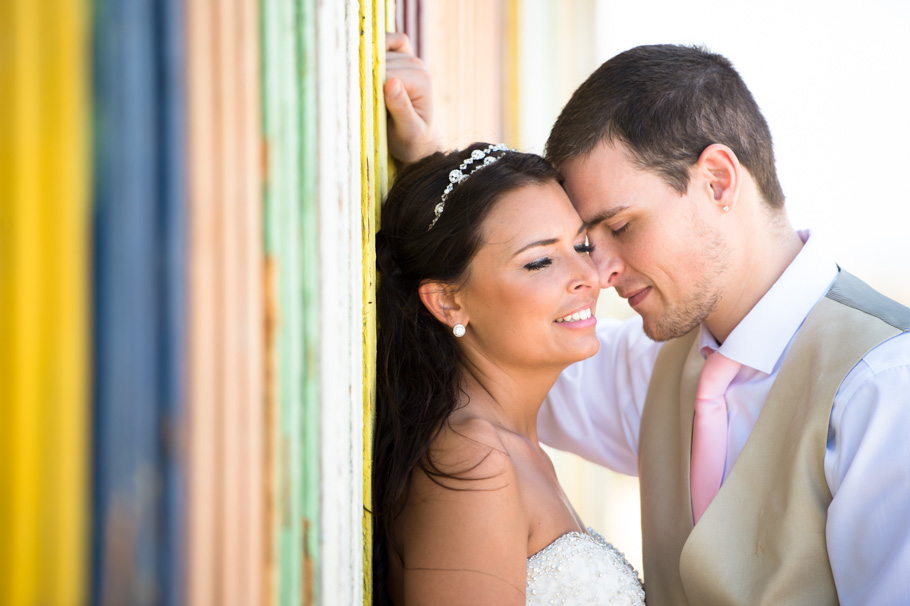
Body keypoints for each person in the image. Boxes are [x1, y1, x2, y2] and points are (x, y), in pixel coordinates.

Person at [385, 33, 910, 605]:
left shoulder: (883, 386)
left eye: (622, 227)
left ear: (717, 180)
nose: (601, 272)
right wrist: (435, 173)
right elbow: (501, 339)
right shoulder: (658, 369)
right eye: (589, 240)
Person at [372, 141, 646, 605]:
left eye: (581, 245)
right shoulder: (473, 462)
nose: (591, 276)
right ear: (448, 301)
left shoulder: (513, 449)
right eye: (539, 261)